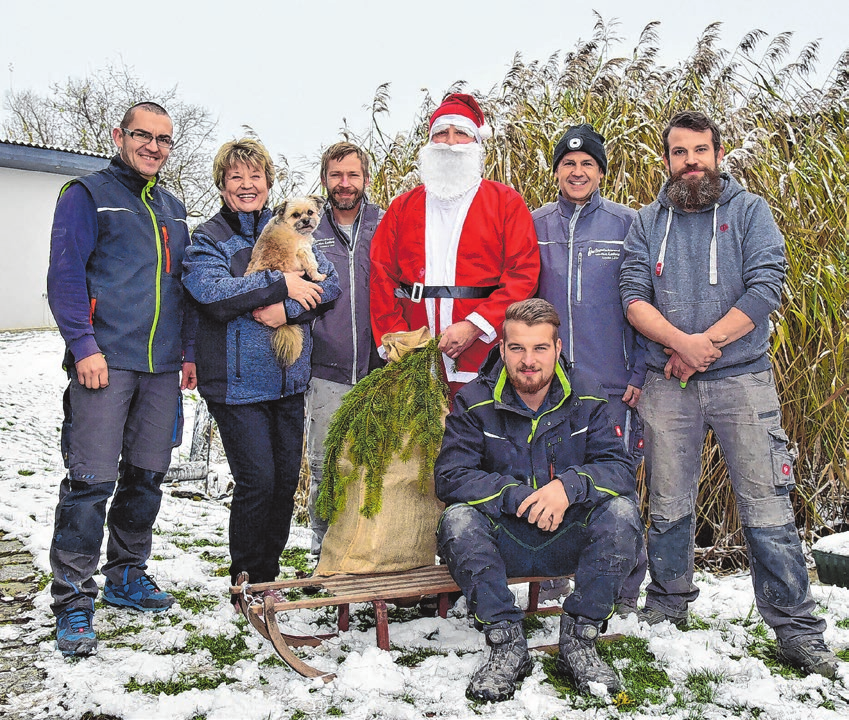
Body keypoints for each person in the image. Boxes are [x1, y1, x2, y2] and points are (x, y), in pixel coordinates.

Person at [619, 110, 839, 678]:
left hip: (742, 379)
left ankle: (795, 626)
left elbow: (768, 283)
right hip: (667, 384)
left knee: (767, 504)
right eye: (678, 153)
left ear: (718, 154)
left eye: (700, 150)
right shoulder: (647, 222)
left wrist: (703, 345)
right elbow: (633, 295)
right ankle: (668, 607)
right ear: (665, 161)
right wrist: (679, 347)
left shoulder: (749, 211)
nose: (690, 162)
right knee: (667, 502)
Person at [436, 299, 642, 701]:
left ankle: (580, 637)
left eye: (540, 348)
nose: (528, 360)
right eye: (517, 348)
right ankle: (506, 642)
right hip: (502, 542)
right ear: (502, 349)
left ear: (558, 349)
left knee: (622, 513)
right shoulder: (473, 400)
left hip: (567, 538)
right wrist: (515, 496)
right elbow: (450, 477)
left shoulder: (588, 394)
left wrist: (568, 487)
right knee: (457, 521)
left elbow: (619, 469)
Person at [47, 101, 196, 657]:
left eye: (163, 139)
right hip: (104, 363)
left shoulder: (174, 209)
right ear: (119, 135)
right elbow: (64, 274)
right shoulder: (86, 195)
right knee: (90, 481)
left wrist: (185, 354)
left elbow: (179, 288)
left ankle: (127, 574)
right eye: (143, 135)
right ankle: (73, 598)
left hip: (160, 369)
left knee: (146, 476)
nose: (153, 146)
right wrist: (83, 346)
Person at [182, 139, 340, 598]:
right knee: (257, 481)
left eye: (255, 177)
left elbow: (328, 287)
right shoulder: (208, 238)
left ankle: (267, 577)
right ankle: (245, 580)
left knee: (285, 480)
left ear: (270, 183)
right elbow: (212, 293)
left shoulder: (295, 229)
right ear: (223, 185)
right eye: (236, 178)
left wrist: (288, 311)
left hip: (287, 380)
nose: (247, 185)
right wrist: (282, 282)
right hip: (235, 384)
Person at [533, 124, 647, 612]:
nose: (577, 171)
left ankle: (623, 588)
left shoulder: (628, 223)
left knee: (615, 481)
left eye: (587, 164)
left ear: (600, 171)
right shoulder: (534, 224)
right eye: (567, 163)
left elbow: (644, 301)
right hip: (554, 385)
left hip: (611, 383)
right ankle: (554, 578)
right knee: (556, 477)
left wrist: (638, 373)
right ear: (556, 170)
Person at [370, 93, 540, 399]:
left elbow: (522, 274)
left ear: (475, 142)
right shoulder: (402, 207)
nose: (450, 142)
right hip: (415, 359)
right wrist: (398, 339)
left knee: (482, 442)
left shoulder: (505, 203)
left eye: (460, 133)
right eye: (441, 133)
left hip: (484, 354)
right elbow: (381, 276)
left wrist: (475, 326)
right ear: (429, 141)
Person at [306, 142, 385, 556]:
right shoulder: (308, 226)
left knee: (377, 468)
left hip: (379, 371)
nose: (345, 183)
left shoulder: (385, 224)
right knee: (325, 467)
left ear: (366, 180)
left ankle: (370, 552)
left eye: (353, 175)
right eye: (336, 175)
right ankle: (323, 553)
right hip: (325, 370)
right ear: (324, 180)